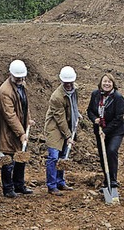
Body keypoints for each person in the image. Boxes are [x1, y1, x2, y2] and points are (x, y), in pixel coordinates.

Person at [0, 59, 35, 198]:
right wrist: (21, 133)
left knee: (21, 157)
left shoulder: (22, 85)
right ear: (11, 75)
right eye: (17, 77)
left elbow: (25, 105)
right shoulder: (4, 92)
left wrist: (28, 119)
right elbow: (10, 116)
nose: (20, 79)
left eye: (21, 77)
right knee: (8, 159)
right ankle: (8, 188)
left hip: (20, 129)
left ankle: (19, 185)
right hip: (8, 132)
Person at [44, 65, 80, 196]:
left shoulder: (75, 89)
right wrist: (68, 135)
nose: (69, 85)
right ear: (61, 81)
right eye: (66, 83)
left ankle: (60, 181)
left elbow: (74, 105)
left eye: (71, 82)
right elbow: (60, 119)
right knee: (54, 157)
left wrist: (77, 116)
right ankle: (51, 185)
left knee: (63, 156)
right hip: (54, 128)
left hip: (67, 125)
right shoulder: (56, 97)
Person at [86, 73, 124, 188]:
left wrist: (106, 131)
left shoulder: (118, 97)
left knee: (111, 151)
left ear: (113, 84)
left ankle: (113, 180)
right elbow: (89, 111)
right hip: (100, 130)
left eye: (109, 82)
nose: (106, 84)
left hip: (115, 131)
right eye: (105, 81)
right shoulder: (95, 95)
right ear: (101, 83)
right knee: (103, 155)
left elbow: (119, 117)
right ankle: (106, 179)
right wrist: (95, 119)